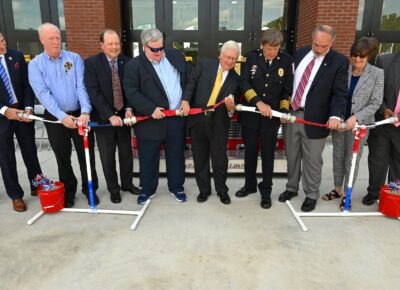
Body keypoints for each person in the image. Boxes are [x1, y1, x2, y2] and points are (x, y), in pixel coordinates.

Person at [278, 25, 349, 212]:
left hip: (315, 119)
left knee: (312, 160)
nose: (318, 49)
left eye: (323, 46)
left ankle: (311, 194)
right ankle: (291, 188)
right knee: (292, 156)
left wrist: (335, 115)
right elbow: (288, 84)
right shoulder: (301, 53)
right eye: (315, 44)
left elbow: (339, 93)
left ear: (332, 43)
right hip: (292, 115)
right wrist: (284, 108)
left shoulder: (339, 62)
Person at [28, 23, 98, 208]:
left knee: (86, 155)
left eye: (58, 37)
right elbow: (43, 94)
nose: (56, 41)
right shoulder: (35, 65)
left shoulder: (74, 58)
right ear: (42, 40)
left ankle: (90, 189)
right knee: (62, 156)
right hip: (55, 118)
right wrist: (62, 117)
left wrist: (85, 111)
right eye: (51, 38)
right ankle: (69, 191)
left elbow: (81, 87)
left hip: (79, 115)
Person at [124, 28, 190, 205]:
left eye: (161, 47)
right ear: (144, 47)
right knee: (148, 157)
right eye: (155, 49)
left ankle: (177, 187)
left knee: (176, 155)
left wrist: (186, 99)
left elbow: (188, 79)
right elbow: (131, 92)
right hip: (150, 121)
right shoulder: (134, 66)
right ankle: (147, 189)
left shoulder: (175, 55)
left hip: (176, 118)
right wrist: (150, 109)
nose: (159, 52)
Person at [322, 37, 383, 210]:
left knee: (352, 160)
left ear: (368, 57)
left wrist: (355, 117)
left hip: (359, 127)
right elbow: (334, 95)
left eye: (361, 58)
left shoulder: (377, 74)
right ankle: (337, 189)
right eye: (354, 56)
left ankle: (347, 195)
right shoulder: (344, 70)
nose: (357, 60)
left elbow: (376, 103)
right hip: (340, 123)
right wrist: (336, 116)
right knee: (337, 156)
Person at [236, 28, 293, 209]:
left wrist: (283, 111)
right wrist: (258, 103)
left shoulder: (286, 61)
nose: (272, 53)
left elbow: (286, 90)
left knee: (268, 155)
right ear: (262, 46)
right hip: (251, 115)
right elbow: (243, 82)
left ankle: (266, 191)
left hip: (271, 119)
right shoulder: (250, 57)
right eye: (269, 49)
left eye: (276, 49)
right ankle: (250, 185)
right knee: (250, 152)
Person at [85, 29, 140, 204]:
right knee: (107, 158)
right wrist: (109, 115)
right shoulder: (92, 63)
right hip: (103, 121)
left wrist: (130, 108)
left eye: (116, 43)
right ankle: (113, 189)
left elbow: (131, 90)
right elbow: (94, 93)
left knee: (126, 155)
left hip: (124, 120)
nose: (114, 47)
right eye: (110, 44)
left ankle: (127, 184)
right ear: (102, 45)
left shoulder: (128, 62)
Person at [183, 40, 240, 205]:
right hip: (198, 120)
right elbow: (191, 83)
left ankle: (222, 190)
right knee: (200, 158)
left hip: (219, 124)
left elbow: (233, 109)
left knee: (220, 159)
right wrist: (186, 100)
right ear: (220, 54)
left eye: (234, 59)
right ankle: (204, 190)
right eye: (227, 57)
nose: (230, 61)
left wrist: (231, 108)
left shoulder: (236, 79)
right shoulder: (204, 64)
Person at [0, 30, 42, 212]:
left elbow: (27, 84)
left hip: (23, 113)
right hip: (2, 117)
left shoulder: (15, 56)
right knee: (7, 157)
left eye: (2, 40)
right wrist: (4, 110)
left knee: (30, 150)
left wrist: (28, 107)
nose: (3, 45)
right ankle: (16, 195)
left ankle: (36, 184)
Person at [365, 51, 400, 205]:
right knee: (377, 159)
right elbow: (375, 91)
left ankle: (393, 194)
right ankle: (374, 192)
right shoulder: (384, 61)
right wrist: (384, 109)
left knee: (398, 163)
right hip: (383, 121)